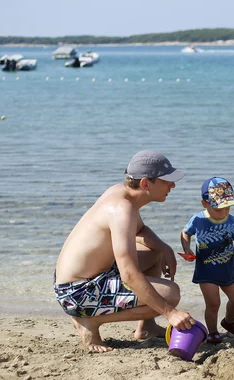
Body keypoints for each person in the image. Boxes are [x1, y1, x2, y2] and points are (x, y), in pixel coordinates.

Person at [54, 150, 196, 352]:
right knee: (170, 294)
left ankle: (146, 327)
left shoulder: (121, 193)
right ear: (146, 183)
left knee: (153, 250)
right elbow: (129, 275)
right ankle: (89, 322)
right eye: (167, 181)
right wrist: (170, 313)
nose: (172, 185)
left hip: (88, 277)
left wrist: (164, 248)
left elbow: (140, 231)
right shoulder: (121, 209)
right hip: (77, 292)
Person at [180, 177, 234, 343]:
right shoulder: (198, 220)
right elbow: (185, 233)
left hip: (227, 270)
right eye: (218, 209)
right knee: (213, 303)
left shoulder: (232, 221)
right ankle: (212, 332)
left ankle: (228, 322)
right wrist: (187, 248)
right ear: (205, 204)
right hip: (206, 271)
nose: (223, 213)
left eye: (227, 208)